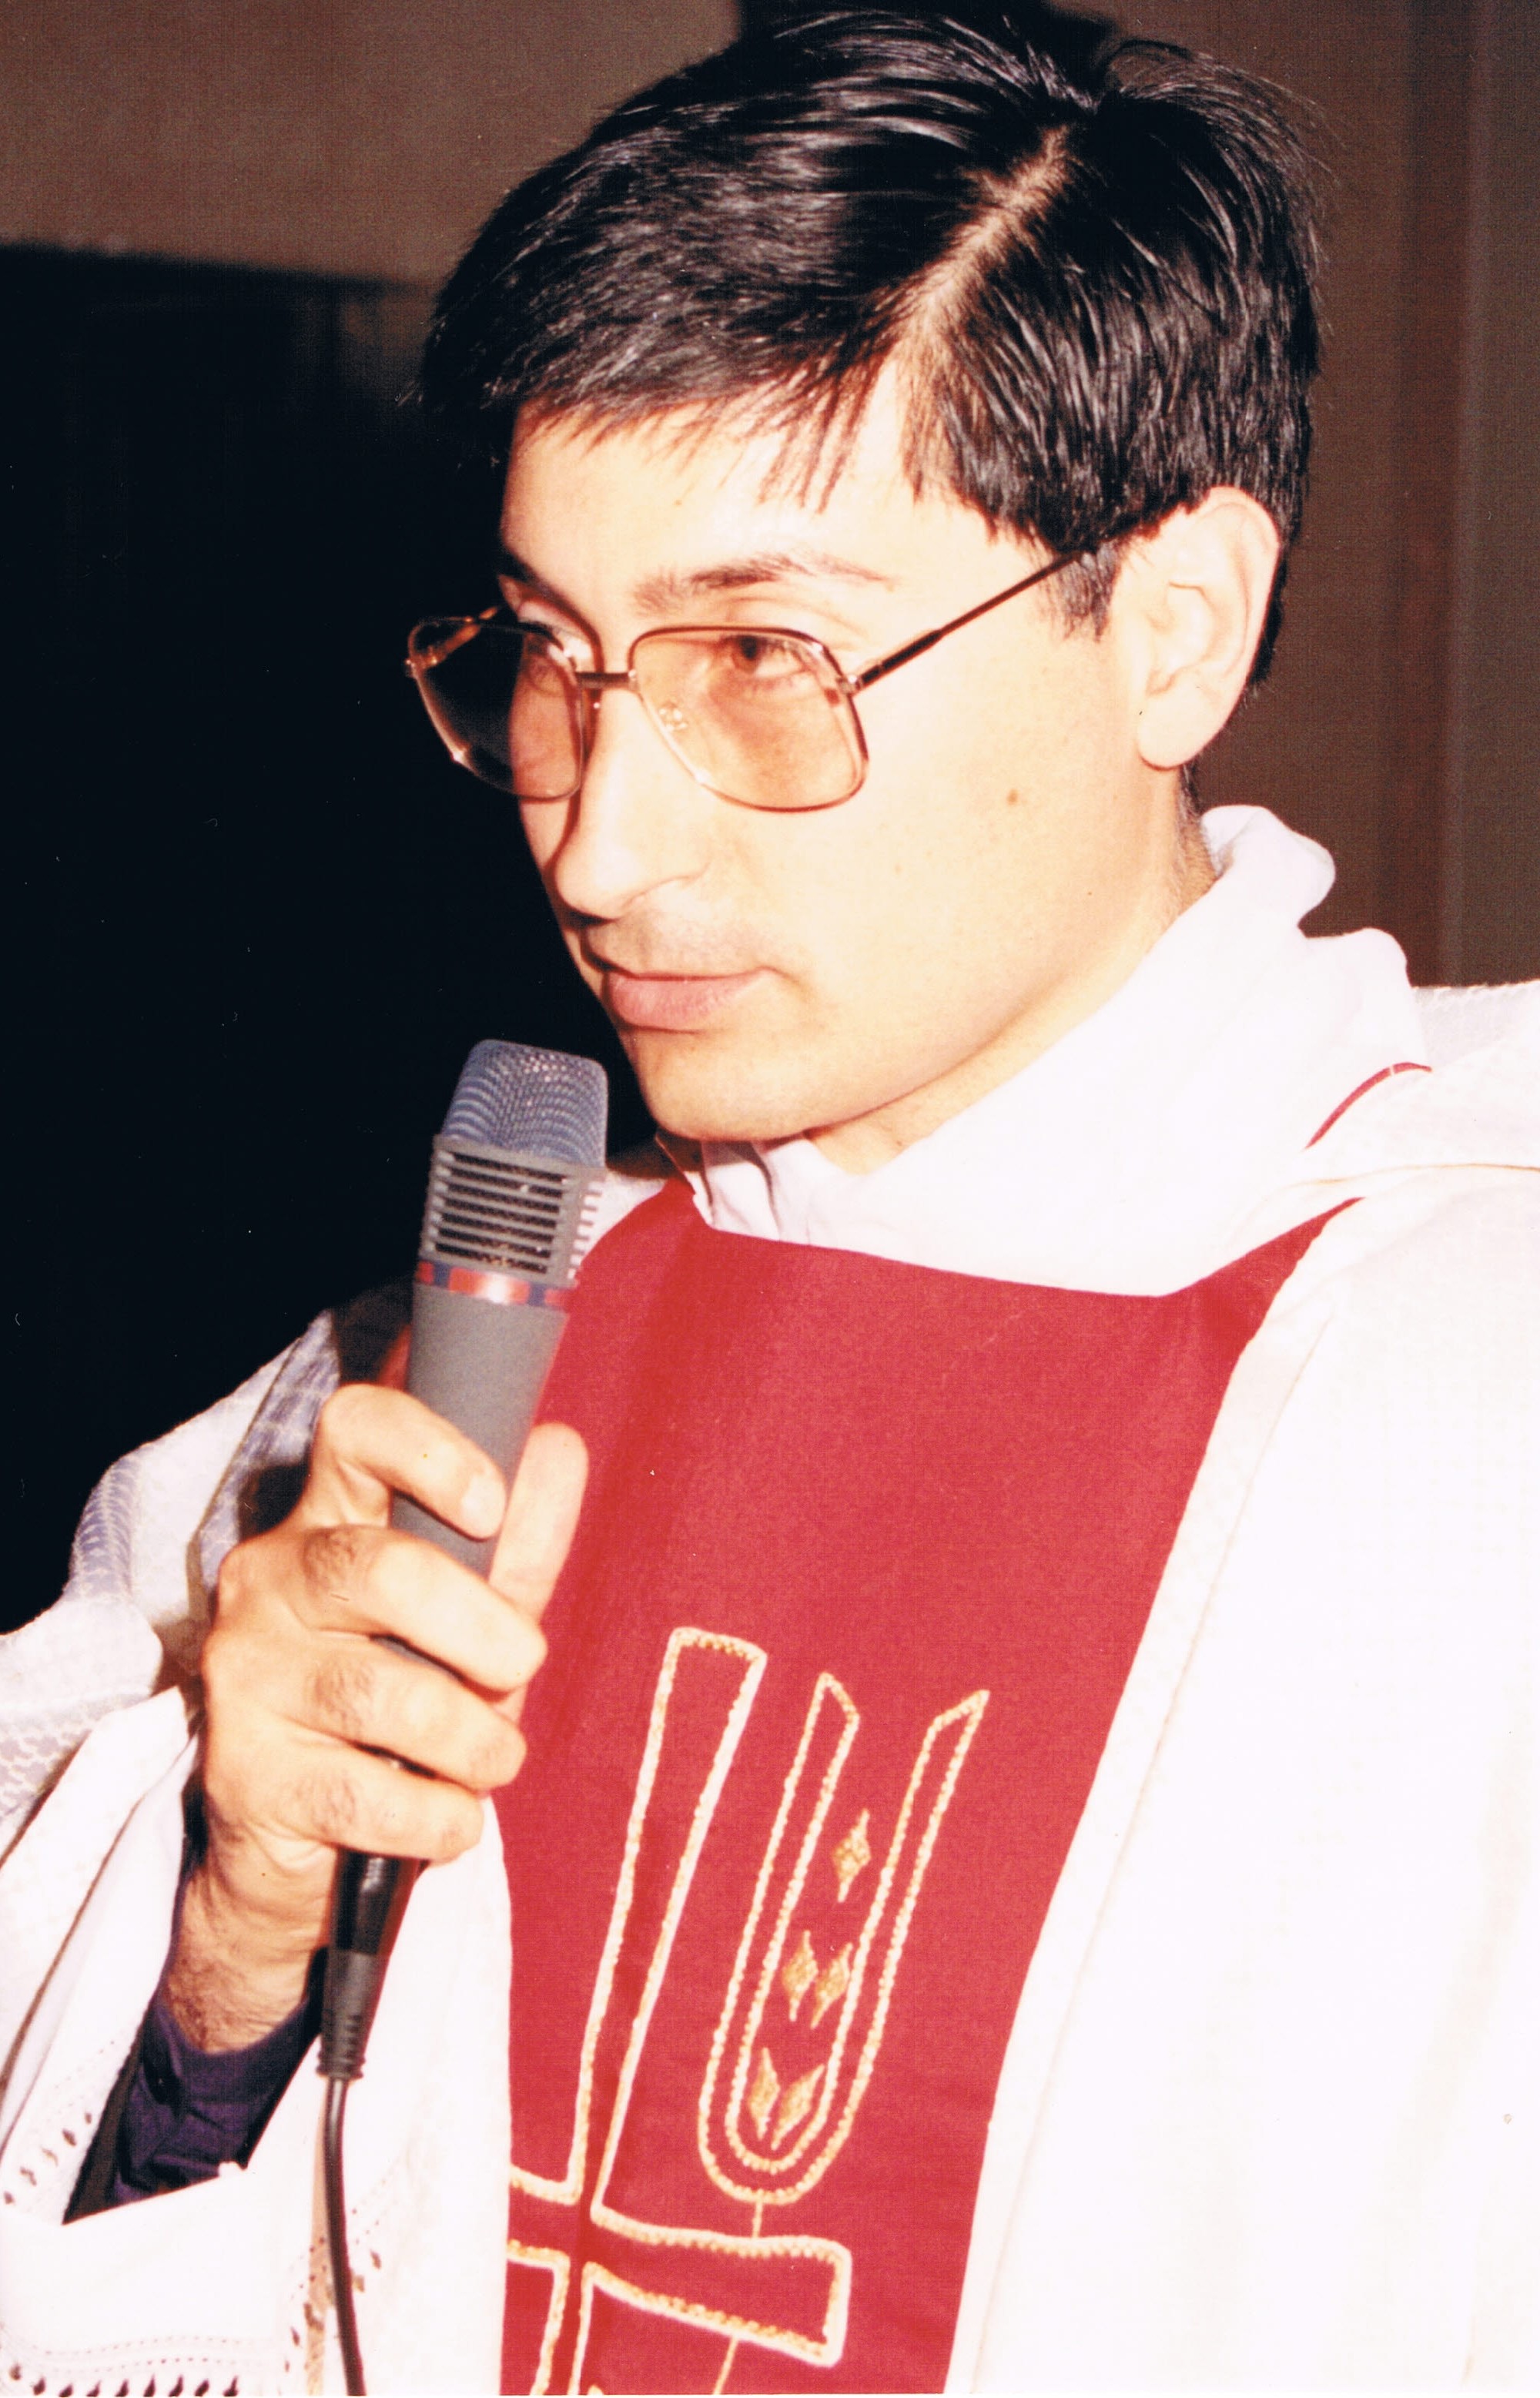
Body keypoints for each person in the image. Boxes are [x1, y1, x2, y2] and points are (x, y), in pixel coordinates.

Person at [2, 7, 1536, 2393]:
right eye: (554, 658)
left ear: (1175, 627)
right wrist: (232, 1920)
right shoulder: (424, 1375)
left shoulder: (1467, 1383)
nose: (600, 848)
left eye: (760, 656)